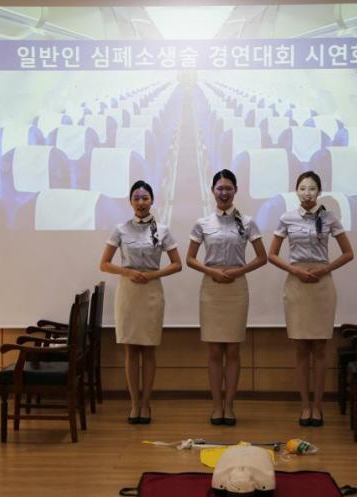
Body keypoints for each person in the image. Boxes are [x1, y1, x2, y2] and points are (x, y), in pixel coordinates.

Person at [268, 171, 353, 427]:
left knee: (320, 348)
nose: (307, 193)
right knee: (302, 349)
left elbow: (348, 253)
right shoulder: (287, 218)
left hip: (321, 284)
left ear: (319, 192)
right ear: (296, 191)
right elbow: (272, 254)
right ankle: (305, 406)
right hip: (297, 284)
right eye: (303, 188)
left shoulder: (329, 217)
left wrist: (324, 269)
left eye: (312, 188)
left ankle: (318, 406)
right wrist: (295, 271)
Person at [186, 169, 267, 426]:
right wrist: (212, 271)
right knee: (213, 351)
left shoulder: (248, 222)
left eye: (228, 188)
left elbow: (262, 257)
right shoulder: (202, 223)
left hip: (236, 288)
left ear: (235, 191)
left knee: (232, 350)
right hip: (211, 288)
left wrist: (237, 271)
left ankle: (229, 406)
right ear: (212, 191)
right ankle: (216, 406)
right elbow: (190, 259)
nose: (224, 193)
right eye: (220, 188)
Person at [100, 180, 182, 424]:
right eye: (136, 198)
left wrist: (153, 275)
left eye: (145, 198)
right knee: (130, 350)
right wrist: (127, 272)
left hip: (151, 291)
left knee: (148, 350)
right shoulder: (120, 229)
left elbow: (177, 264)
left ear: (152, 200)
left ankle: (146, 403)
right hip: (128, 292)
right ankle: (134, 404)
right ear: (130, 201)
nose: (141, 202)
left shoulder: (163, 230)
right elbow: (104, 264)